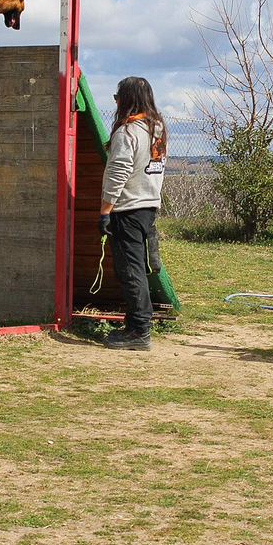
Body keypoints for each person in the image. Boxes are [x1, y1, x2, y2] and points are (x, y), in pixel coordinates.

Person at [99, 76, 167, 351]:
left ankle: (139, 331)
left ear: (125, 101)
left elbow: (118, 173)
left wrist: (105, 211)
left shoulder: (127, 133)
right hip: (148, 207)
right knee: (138, 268)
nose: (116, 103)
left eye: (117, 98)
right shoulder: (157, 129)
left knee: (130, 271)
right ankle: (134, 325)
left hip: (127, 209)